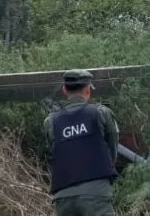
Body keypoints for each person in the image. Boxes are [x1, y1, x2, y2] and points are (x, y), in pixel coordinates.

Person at [43, 69, 120, 216]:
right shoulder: (101, 113)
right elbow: (112, 151)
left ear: (65, 90)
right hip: (96, 193)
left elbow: (52, 154)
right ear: (87, 89)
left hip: (63, 196)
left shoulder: (50, 122)